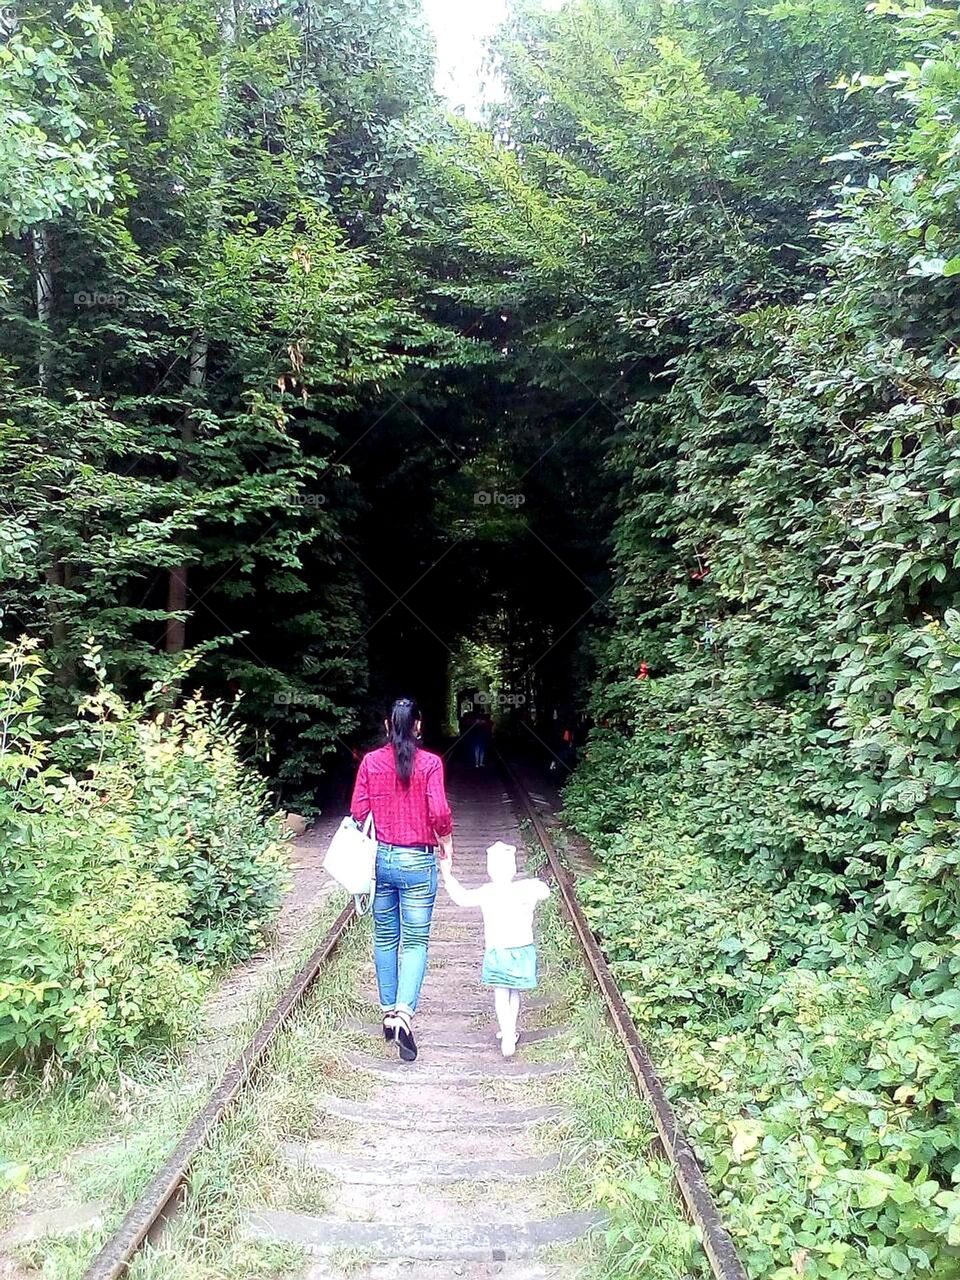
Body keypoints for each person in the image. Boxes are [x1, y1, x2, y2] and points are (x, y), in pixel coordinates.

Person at [350, 698, 453, 1062]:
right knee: (415, 942)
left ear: (387, 725)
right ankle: (405, 1014)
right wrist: (446, 842)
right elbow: (439, 812)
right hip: (417, 861)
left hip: (380, 860)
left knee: (384, 938)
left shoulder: (370, 762)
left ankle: (388, 1013)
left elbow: (358, 811)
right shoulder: (431, 765)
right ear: (419, 727)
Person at [440, 841, 549, 1057]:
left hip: (498, 951)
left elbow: (462, 898)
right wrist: (533, 883)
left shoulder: (487, 891)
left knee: (500, 993)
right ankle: (512, 1031)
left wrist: (448, 878)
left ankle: (507, 1035)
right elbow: (545, 891)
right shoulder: (524, 890)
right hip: (521, 950)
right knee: (514, 991)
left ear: (490, 870)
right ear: (514, 869)